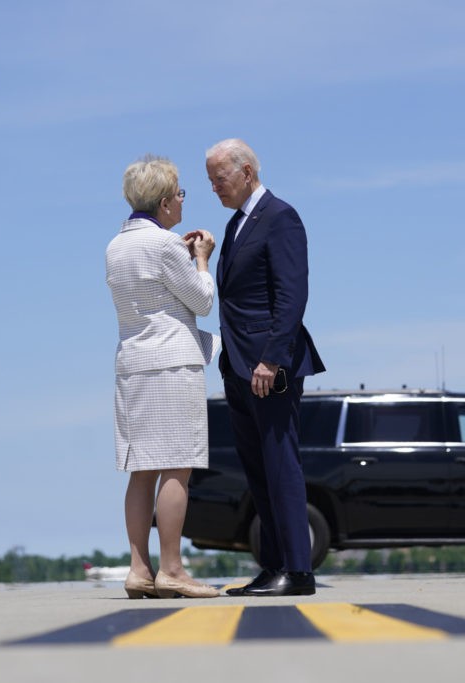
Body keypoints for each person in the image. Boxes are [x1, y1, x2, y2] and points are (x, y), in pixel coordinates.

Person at [206, 138, 325, 597]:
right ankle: (272, 565)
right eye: (210, 179)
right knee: (258, 473)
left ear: (247, 173)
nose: (214, 187)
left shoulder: (280, 217)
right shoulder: (237, 224)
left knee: (281, 468)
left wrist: (271, 359)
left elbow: (292, 296)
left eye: (220, 177)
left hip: (266, 369)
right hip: (237, 369)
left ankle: (297, 571)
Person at [106, 154, 220, 599]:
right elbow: (202, 300)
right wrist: (202, 258)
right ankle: (172, 567)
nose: (181, 200)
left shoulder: (116, 246)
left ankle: (139, 568)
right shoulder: (165, 244)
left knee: (141, 469)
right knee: (178, 465)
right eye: (178, 193)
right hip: (172, 364)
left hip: (132, 364)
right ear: (163, 201)